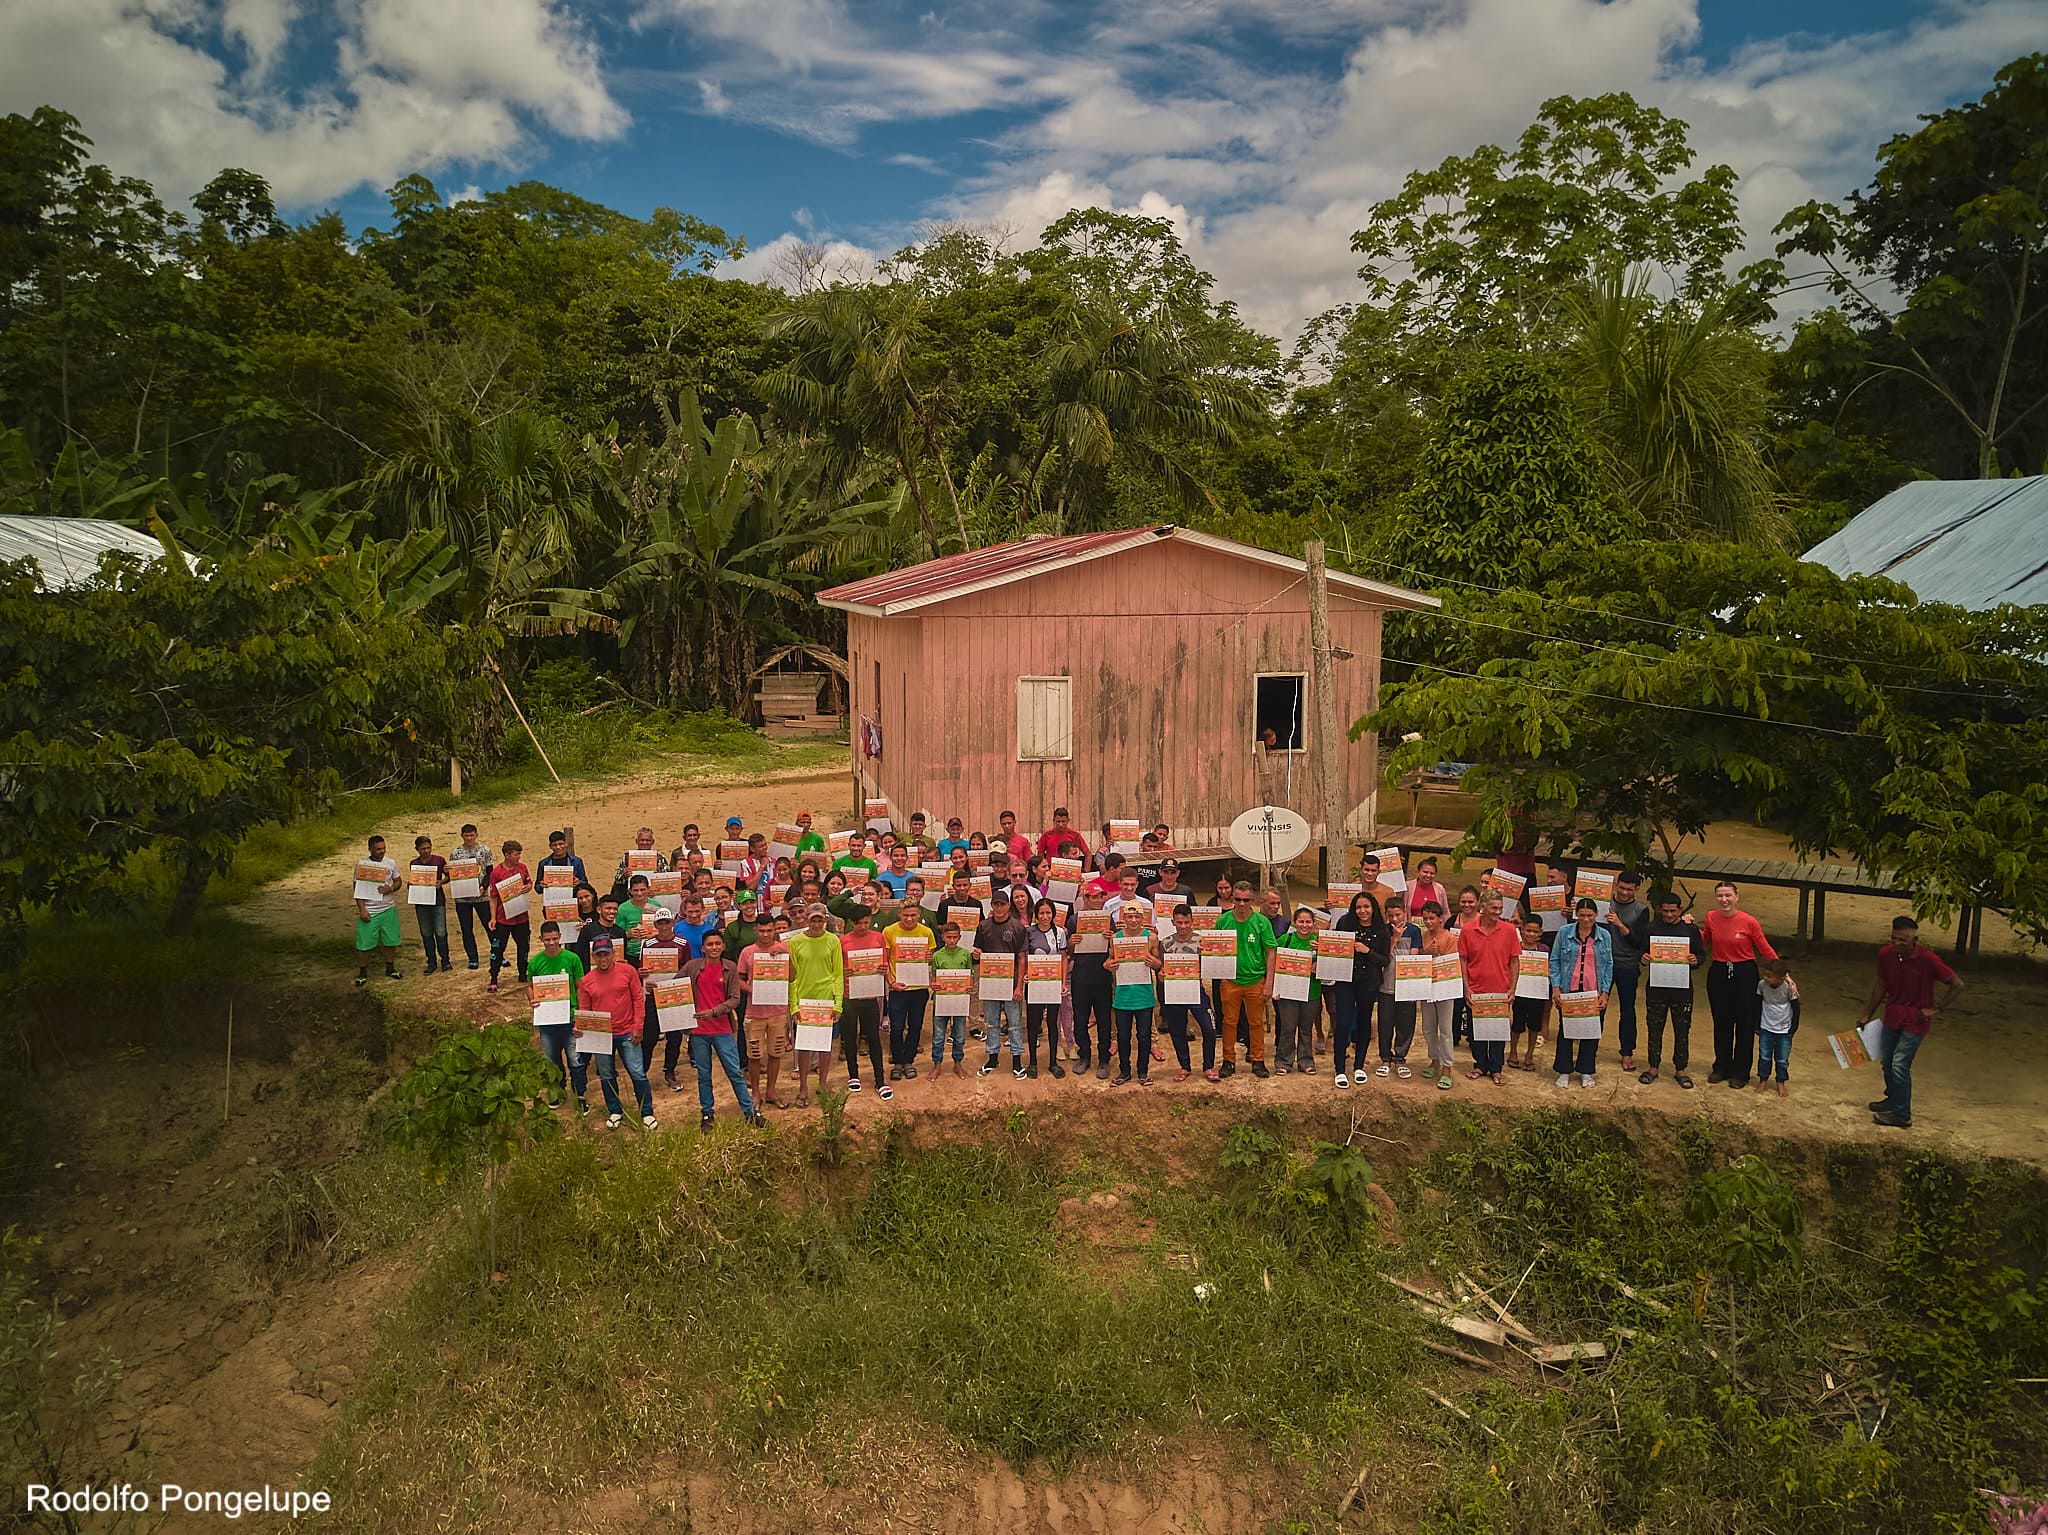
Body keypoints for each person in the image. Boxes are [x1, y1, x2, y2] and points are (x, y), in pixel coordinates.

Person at [1861, 916, 1964, 1129]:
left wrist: (1937, 1008)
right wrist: (1867, 1014)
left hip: (1916, 1020)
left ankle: (1902, 1115)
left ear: (1914, 939)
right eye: (1894, 938)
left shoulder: (1927, 959)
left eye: (1903, 940)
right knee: (1887, 1061)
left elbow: (1957, 984)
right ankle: (1892, 1099)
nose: (1897, 943)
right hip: (1893, 1015)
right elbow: (1881, 985)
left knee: (1900, 1063)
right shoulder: (1885, 954)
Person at [1701, 882, 1777, 1089]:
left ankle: (1741, 1072)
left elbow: (1764, 947)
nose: (1724, 900)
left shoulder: (1749, 921)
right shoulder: (1711, 917)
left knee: (1744, 1024)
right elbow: (1705, 940)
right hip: (1719, 971)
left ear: (1736, 897)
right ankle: (1721, 1066)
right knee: (1721, 1022)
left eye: (1728, 895)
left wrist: (1783, 973)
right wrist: (1687, 926)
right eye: (1720, 896)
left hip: (1744, 973)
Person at [683, 931, 761, 1130]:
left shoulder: (730, 967)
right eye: (710, 944)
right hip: (699, 1031)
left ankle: (750, 1112)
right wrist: (653, 984)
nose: (714, 947)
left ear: (723, 946)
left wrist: (714, 1011)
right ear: (703, 948)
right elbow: (674, 987)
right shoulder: (692, 967)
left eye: (718, 943)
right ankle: (707, 1114)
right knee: (704, 1074)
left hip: (722, 1028)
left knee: (734, 1072)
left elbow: (735, 998)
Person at [580, 937, 655, 1130]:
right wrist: (581, 1029)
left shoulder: (628, 971)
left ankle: (646, 1112)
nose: (603, 958)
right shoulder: (587, 981)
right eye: (599, 955)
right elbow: (585, 1011)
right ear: (593, 956)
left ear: (613, 953)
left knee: (637, 1072)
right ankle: (615, 1110)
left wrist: (638, 1026)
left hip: (627, 1031)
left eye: (606, 954)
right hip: (602, 1035)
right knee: (606, 1074)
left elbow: (638, 999)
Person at [1639, 892, 1705, 1087]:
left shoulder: (1690, 930)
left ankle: (1681, 1069)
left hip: (1682, 989)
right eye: (1665, 911)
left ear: (1680, 909)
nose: (1669, 915)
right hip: (1656, 988)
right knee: (1654, 1029)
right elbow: (1641, 951)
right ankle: (1653, 1067)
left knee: (1682, 1030)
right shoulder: (1651, 928)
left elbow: (1701, 955)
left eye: (1673, 911)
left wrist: (1695, 960)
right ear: (1660, 910)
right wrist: (1643, 958)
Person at [1457, 884, 1521, 1083]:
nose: (1498, 912)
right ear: (1483, 907)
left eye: (1500, 908)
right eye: (1494, 908)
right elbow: (1463, 960)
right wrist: (1466, 987)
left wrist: (1512, 988)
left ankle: (1496, 1068)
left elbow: (1514, 961)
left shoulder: (1509, 930)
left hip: (1500, 991)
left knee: (1498, 1032)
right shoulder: (1467, 930)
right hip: (1476, 990)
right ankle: (1479, 1065)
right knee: (1476, 1031)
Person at [1548, 898, 1612, 1089]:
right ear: (1576, 915)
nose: (1585, 919)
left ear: (1596, 915)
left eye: (1589, 915)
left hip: (1593, 991)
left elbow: (1609, 964)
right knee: (1566, 1031)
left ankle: (1586, 1070)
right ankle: (1564, 1070)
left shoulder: (1604, 936)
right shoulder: (1564, 932)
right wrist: (1556, 987)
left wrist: (1605, 992)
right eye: (1582, 915)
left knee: (1591, 1032)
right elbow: (1555, 960)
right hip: (1570, 989)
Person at [1217, 881, 1277, 1078]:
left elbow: (1270, 952)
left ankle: (1258, 1060)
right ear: (1232, 899)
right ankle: (1228, 1061)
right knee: (1229, 1022)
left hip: (1255, 980)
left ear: (1252, 900)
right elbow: (1216, 949)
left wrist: (1269, 983)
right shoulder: (1223, 921)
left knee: (1256, 1023)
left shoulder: (1262, 922)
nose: (1242, 904)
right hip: (1230, 981)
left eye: (1246, 900)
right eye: (1238, 899)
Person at [1329, 890, 1388, 1088]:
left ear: (1373, 908)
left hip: (1368, 983)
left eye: (1366, 907)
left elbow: (1384, 960)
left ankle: (1359, 1066)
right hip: (1345, 981)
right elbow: (1335, 947)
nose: (1362, 911)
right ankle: (1339, 1069)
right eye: (1358, 907)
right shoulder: (1345, 923)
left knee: (1364, 1023)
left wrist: (1367, 951)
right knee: (1343, 1023)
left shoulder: (1381, 930)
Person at [788, 902, 844, 1105]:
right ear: (807, 919)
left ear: (826, 920)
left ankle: (823, 1081)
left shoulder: (833, 941)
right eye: (814, 920)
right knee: (804, 1047)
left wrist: (838, 1004)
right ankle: (803, 1086)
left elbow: (838, 973)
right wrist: (794, 1005)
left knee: (824, 1045)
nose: (817, 924)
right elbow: (792, 977)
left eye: (821, 920)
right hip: (804, 1000)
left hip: (826, 999)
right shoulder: (795, 942)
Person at [527, 920, 586, 1110]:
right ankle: (557, 1092)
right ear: (541, 939)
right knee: (551, 1061)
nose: (551, 943)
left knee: (575, 1060)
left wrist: (580, 1014)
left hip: (569, 1018)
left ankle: (580, 1094)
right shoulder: (535, 962)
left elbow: (580, 987)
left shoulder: (572, 958)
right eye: (547, 939)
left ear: (560, 937)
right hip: (547, 1021)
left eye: (554, 938)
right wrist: (532, 999)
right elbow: (530, 986)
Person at [738, 912, 792, 1110]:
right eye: (762, 931)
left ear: (774, 930)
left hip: (778, 1011)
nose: (765, 934)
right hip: (755, 1012)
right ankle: (756, 1094)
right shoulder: (747, 952)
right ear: (756, 930)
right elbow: (739, 979)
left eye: (769, 930)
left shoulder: (783, 949)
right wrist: (752, 990)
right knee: (754, 1056)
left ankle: (771, 1091)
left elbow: (792, 977)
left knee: (775, 1053)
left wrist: (786, 956)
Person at [1159, 906, 1218, 1082]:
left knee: (1209, 1028)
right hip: (1174, 992)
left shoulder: (1202, 941)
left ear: (1193, 921)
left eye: (1187, 922)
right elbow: (1162, 969)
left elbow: (1211, 967)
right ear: (1173, 922)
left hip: (1196, 990)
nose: (1183, 926)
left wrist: (1206, 958)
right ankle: (1184, 1066)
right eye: (1179, 922)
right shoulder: (1165, 943)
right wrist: (1161, 975)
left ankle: (1208, 1066)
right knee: (1177, 1031)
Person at [975, 888, 1030, 1078]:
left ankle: (1017, 1061)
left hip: (1011, 983)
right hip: (991, 982)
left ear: (1008, 906)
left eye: (1002, 904)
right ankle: (992, 1058)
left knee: (1014, 1024)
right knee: (992, 1023)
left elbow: (1022, 958)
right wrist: (977, 954)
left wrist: (1019, 986)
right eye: (996, 904)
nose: (999, 908)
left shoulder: (1017, 927)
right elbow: (978, 951)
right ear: (991, 906)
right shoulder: (983, 926)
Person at [838, 904, 890, 1098]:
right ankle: (853, 1075)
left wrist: (884, 969)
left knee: (873, 1037)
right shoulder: (843, 941)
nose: (863, 927)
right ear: (851, 923)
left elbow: (884, 961)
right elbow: (837, 967)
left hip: (871, 994)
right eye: (859, 923)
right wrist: (844, 971)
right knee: (849, 1036)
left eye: (866, 922)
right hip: (849, 995)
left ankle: (880, 1079)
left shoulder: (878, 937)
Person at [1110, 897, 1162, 1085]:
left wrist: (1155, 963)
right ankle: (1124, 1071)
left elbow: (1159, 964)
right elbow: (1109, 960)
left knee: (1144, 1036)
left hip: (1144, 994)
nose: (1133, 920)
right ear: (1123, 917)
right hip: (1123, 995)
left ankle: (1143, 1071)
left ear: (1142, 918)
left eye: (1137, 916)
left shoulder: (1151, 938)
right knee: (1123, 1037)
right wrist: (1108, 965)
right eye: (1129, 916)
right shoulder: (1116, 938)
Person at [1604, 871, 1651, 1073]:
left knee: (1628, 1010)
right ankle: (1589, 1048)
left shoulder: (1641, 910)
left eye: (1629, 890)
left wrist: (1620, 925)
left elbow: (1639, 942)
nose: (1624, 893)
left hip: (1628, 965)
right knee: (1598, 1006)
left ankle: (1627, 1053)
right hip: (1603, 964)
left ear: (1636, 889)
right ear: (1616, 885)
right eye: (1621, 888)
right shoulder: (1602, 904)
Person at [884, 895, 935, 1080]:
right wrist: (891, 983)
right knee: (897, 1027)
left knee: (915, 1026)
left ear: (919, 913)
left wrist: (929, 957)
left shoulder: (926, 932)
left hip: (919, 988)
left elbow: (930, 958)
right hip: (898, 988)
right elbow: (884, 960)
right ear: (900, 914)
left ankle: (909, 1061)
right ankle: (897, 1062)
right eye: (906, 915)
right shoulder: (889, 931)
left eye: (913, 915)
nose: (909, 919)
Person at [1066, 887, 1115, 1079]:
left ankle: (1104, 1059)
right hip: (1081, 977)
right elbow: (1068, 951)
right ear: (1085, 898)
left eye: (1100, 896)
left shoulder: (1108, 919)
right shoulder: (1074, 920)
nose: (1097, 900)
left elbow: (1116, 949)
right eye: (1093, 897)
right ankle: (1084, 1056)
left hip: (1103, 977)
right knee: (1080, 1020)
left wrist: (1112, 940)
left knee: (1104, 1021)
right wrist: (1072, 941)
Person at [1271, 907, 1322, 1075]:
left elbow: (1331, 967)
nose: (1305, 925)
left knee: (1306, 1029)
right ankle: (1283, 1062)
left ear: (1313, 923)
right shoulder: (1285, 940)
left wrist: (1320, 963)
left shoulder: (1319, 942)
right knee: (1288, 1028)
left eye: (1308, 922)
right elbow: (1272, 961)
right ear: (1295, 922)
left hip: (1311, 992)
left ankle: (1306, 1061)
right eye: (1301, 921)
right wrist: (1275, 986)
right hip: (1288, 993)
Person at [1416, 901, 1459, 1090]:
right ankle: (1434, 1060)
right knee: (1428, 1027)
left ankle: (1447, 1066)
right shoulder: (1422, 937)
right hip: (1427, 987)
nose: (1428, 922)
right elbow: (1417, 959)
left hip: (1445, 987)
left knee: (1446, 1029)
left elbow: (1451, 962)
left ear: (1440, 918)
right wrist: (1427, 952)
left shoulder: (1449, 938)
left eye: (1432, 918)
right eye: (1425, 918)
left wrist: (1438, 954)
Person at [1376, 897, 1419, 1079]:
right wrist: (1394, 938)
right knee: (1385, 1024)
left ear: (1405, 912)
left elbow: (1415, 956)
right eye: (1390, 915)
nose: (1394, 919)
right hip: (1386, 986)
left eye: (1398, 915)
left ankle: (1400, 1058)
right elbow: (1381, 958)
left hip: (1407, 987)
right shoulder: (1382, 930)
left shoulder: (1414, 931)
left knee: (1405, 1025)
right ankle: (1385, 1058)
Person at [1026, 897, 1069, 1078]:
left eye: (1048, 913)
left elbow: (1064, 957)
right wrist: (1025, 975)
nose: (1045, 917)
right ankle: (1032, 1062)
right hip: (1034, 985)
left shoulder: (1059, 933)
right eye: (1041, 913)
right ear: (1036, 915)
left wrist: (1063, 982)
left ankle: (1053, 1062)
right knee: (1033, 1023)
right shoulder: (1029, 932)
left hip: (1053, 984)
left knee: (1052, 1022)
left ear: (1053, 914)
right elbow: (1024, 957)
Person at [352, 835, 404, 986]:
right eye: (378, 849)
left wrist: (391, 889)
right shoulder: (362, 865)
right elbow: (357, 889)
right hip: (370, 910)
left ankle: (390, 968)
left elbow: (398, 881)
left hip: (388, 908)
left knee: (390, 940)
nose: (382, 851)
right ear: (370, 849)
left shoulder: (391, 863)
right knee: (364, 942)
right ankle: (362, 973)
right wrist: (362, 909)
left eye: (383, 848)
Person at [486, 839, 532, 993]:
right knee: (498, 949)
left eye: (519, 854)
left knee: (524, 946)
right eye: (516, 854)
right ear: (507, 855)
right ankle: (493, 977)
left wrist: (528, 887)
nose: (518, 857)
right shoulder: (496, 873)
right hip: (503, 918)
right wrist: (493, 918)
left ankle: (522, 973)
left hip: (521, 916)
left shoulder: (522, 868)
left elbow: (529, 883)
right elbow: (493, 897)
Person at [929, 921, 975, 1077]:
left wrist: (969, 986)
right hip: (941, 1001)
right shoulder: (937, 955)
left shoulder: (965, 954)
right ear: (943, 937)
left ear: (960, 937)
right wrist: (934, 985)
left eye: (955, 937)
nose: (952, 940)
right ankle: (937, 1064)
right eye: (949, 937)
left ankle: (957, 1063)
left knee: (959, 1035)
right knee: (938, 1035)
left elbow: (970, 975)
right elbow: (933, 977)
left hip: (960, 1001)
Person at [1508, 913, 1551, 1074]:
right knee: (1517, 1025)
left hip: (1537, 994)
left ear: (1541, 933)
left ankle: (1529, 1055)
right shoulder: (1515, 947)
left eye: (1535, 931)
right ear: (1522, 930)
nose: (1531, 934)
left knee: (1534, 1026)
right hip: (1519, 992)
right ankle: (1513, 1052)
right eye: (1528, 931)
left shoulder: (1544, 950)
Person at [404, 834, 452, 975]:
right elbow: (413, 881)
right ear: (417, 849)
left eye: (428, 848)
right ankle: (431, 962)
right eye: (423, 849)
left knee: (441, 932)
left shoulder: (439, 860)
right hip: (421, 902)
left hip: (437, 901)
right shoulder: (414, 863)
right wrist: (411, 885)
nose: (426, 851)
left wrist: (441, 882)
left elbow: (449, 875)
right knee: (426, 933)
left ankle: (445, 960)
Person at [450, 824, 496, 970]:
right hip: (463, 898)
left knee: (490, 926)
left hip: (481, 896)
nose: (469, 838)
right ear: (462, 836)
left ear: (476, 835)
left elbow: (490, 872)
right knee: (466, 928)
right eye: (466, 835)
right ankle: (472, 958)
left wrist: (483, 886)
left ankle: (497, 954)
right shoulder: (456, 853)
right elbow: (454, 875)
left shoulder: (485, 850)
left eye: (471, 835)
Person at [1753, 957, 1801, 1098]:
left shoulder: (1789, 988)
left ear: (1780, 978)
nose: (1765, 978)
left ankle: (1781, 1081)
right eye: (1765, 975)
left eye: (1769, 976)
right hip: (1766, 1026)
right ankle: (1763, 1080)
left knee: (1782, 1059)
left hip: (1784, 1029)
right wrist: (1756, 1024)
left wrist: (1793, 1028)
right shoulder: (1762, 985)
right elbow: (1757, 1004)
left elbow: (1796, 1008)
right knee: (1764, 1056)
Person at [610, 827, 668, 903]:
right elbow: (617, 879)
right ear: (636, 841)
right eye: (642, 840)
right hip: (630, 899)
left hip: (652, 900)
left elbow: (666, 880)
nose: (644, 843)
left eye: (647, 840)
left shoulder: (660, 859)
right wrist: (624, 875)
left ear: (653, 842)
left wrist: (656, 886)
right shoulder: (627, 857)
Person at [574, 894, 627, 971]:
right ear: (599, 909)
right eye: (608, 908)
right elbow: (579, 954)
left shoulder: (620, 932)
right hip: (593, 973)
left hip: (615, 973)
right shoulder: (588, 930)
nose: (612, 911)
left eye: (615, 909)